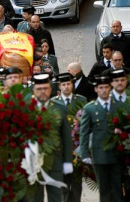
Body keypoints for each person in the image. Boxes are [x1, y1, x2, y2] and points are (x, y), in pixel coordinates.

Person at [29, 73, 73, 202]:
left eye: (45, 88)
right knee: (34, 198)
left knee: (56, 197)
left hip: (55, 161)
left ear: (50, 89)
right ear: (34, 90)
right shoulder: (27, 108)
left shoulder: (59, 109)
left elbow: (66, 137)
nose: (43, 92)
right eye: (39, 89)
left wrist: (67, 161)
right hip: (33, 162)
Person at [80, 75, 124, 201]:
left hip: (117, 152)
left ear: (110, 88)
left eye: (106, 87)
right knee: (104, 189)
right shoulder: (90, 108)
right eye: (101, 88)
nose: (104, 90)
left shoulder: (118, 104)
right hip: (99, 155)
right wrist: (84, 154)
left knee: (117, 187)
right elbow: (84, 132)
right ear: (96, 90)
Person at [51, 72, 87, 202]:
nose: (66, 87)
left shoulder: (81, 100)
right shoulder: (53, 102)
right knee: (63, 184)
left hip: (76, 149)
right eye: (63, 84)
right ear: (59, 86)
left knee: (77, 184)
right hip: (61, 150)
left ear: (72, 85)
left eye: (68, 84)